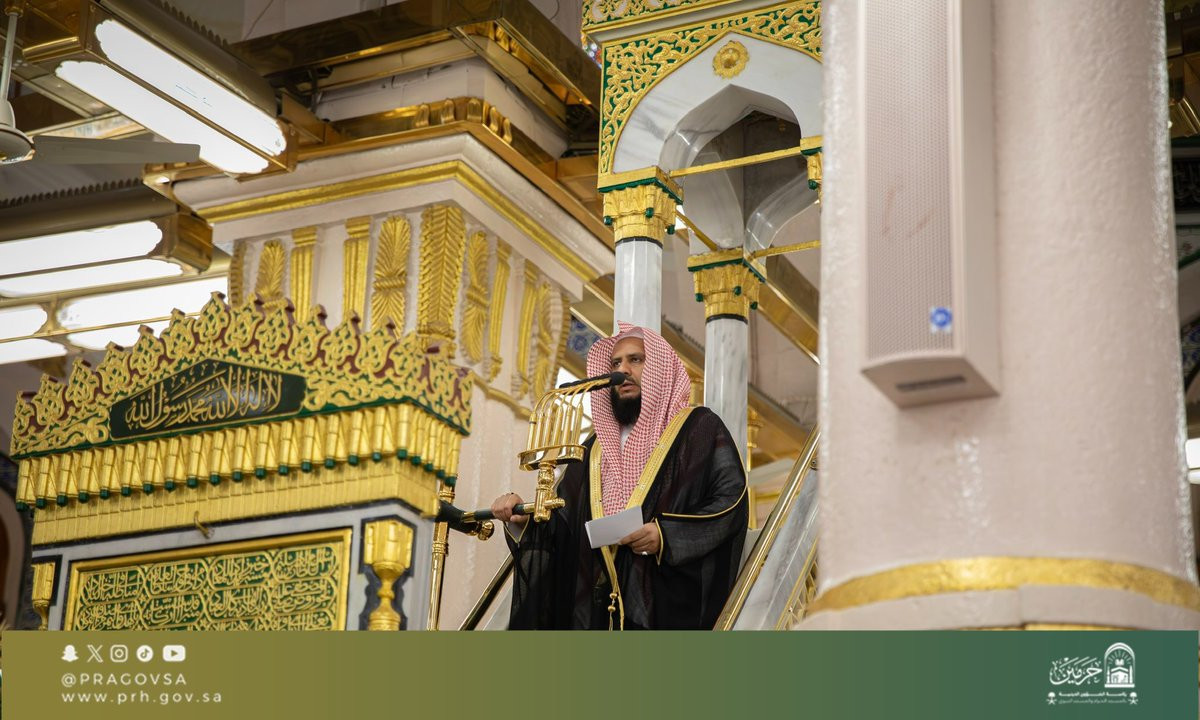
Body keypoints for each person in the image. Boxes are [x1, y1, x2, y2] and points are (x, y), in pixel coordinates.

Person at [491, 322, 748, 630]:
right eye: (615, 363)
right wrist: (524, 522)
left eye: (635, 360)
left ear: (660, 369)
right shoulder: (593, 448)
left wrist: (666, 536)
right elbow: (566, 527)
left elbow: (730, 500)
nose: (622, 370)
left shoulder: (699, 429)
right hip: (596, 615)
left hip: (661, 608)